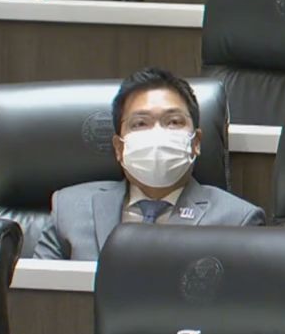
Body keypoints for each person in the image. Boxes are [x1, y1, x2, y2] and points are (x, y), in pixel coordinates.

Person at [34, 68, 265, 260]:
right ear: (119, 148)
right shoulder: (68, 209)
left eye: (173, 121)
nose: (157, 134)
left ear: (196, 142)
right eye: (140, 124)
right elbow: (39, 297)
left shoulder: (237, 221)